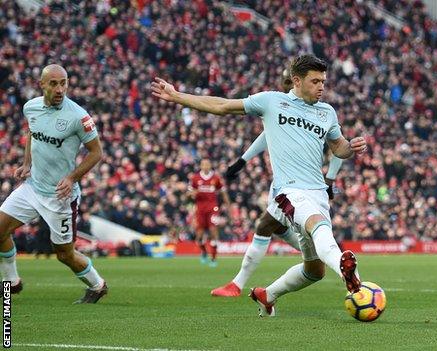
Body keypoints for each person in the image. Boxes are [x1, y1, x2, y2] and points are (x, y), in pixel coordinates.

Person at [152, 54, 367, 317]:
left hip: (317, 192)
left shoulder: (327, 112)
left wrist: (351, 148)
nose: (321, 86)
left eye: (323, 81)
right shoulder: (272, 101)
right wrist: (178, 96)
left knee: (314, 271)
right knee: (315, 223)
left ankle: (267, 295)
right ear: (297, 81)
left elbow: (339, 147)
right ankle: (348, 273)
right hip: (288, 190)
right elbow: (222, 106)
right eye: (315, 81)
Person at [211, 67, 344, 297]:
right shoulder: (280, 107)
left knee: (269, 226)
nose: (283, 86)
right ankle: (323, 257)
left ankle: (239, 284)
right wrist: (242, 162)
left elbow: (339, 148)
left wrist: (330, 179)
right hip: (286, 186)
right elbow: (264, 136)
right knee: (282, 231)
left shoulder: (321, 113)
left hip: (305, 187)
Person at [0, 64, 107, 303]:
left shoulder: (78, 116)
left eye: (64, 83)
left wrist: (71, 178)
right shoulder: (31, 107)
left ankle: (98, 285)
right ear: (42, 85)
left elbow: (96, 153)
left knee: (64, 254)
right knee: (0, 230)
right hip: (32, 188)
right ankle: (12, 282)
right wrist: (26, 163)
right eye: (54, 83)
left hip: (60, 197)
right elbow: (32, 133)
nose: (60, 89)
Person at [190, 159, 231, 266]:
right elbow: (190, 193)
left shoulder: (216, 178)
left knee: (213, 232)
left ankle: (213, 259)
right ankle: (204, 252)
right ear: (200, 166)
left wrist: (228, 206)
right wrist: (193, 193)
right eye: (203, 164)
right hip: (200, 209)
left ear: (210, 165)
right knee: (199, 236)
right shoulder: (195, 178)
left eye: (207, 164)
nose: (206, 166)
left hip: (212, 209)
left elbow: (223, 192)